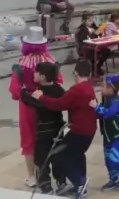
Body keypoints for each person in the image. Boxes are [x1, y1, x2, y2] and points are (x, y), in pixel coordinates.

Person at [30, 60, 98, 197]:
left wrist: (41, 97)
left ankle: (79, 182)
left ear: (75, 73)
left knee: (58, 155)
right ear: (90, 74)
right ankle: (81, 186)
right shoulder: (88, 87)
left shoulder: (77, 89)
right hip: (89, 130)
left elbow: (59, 104)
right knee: (77, 155)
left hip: (79, 130)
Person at [9, 27, 61, 186]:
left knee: (28, 140)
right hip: (47, 103)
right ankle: (55, 176)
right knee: (50, 138)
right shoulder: (51, 61)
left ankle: (32, 177)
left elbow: (14, 89)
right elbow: (58, 82)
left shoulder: (20, 64)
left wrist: (26, 93)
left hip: (27, 107)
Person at [19, 62, 67, 194]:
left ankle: (46, 186)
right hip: (58, 129)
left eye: (36, 72)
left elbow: (29, 100)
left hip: (44, 131)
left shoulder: (39, 92)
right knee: (57, 156)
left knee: (41, 159)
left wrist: (22, 90)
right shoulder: (58, 89)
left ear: (43, 77)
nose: (33, 74)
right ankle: (62, 182)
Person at [93, 74, 119, 191]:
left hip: (118, 135)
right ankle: (113, 179)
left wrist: (96, 107)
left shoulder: (116, 101)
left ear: (111, 88)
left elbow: (108, 113)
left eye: (103, 86)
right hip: (108, 134)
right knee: (108, 160)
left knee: (113, 158)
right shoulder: (106, 99)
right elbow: (99, 115)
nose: (101, 88)